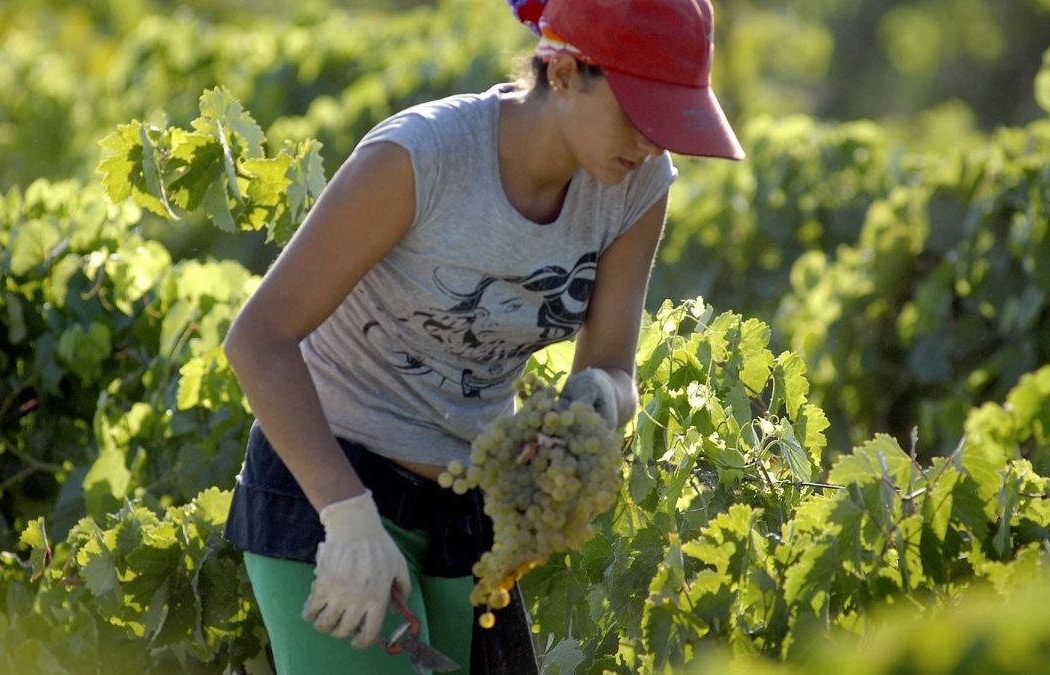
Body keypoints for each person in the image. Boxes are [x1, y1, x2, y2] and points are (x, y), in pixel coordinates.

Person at [220, 0, 744, 672]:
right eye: (640, 113)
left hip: (464, 510)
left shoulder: (637, 185)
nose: (652, 142)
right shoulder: (422, 158)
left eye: (669, 123)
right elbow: (257, 339)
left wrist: (594, 398)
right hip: (327, 489)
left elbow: (614, 367)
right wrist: (346, 516)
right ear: (562, 71)